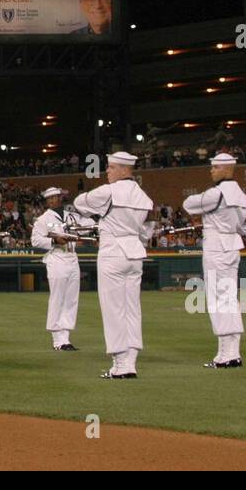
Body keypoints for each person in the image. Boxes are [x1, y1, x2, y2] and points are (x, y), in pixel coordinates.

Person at [74, 151, 154, 379]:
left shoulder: (108, 192)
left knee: (113, 309)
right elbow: (147, 229)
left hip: (113, 252)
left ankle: (120, 364)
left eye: (110, 167)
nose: (107, 171)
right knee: (132, 308)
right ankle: (130, 362)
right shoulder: (142, 196)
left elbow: (80, 202)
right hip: (135, 252)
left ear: (123, 169)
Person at [182, 152, 246, 368]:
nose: (211, 171)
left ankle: (226, 355)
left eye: (214, 167)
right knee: (229, 298)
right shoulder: (242, 196)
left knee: (218, 300)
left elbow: (188, 204)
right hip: (232, 246)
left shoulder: (216, 193)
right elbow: (244, 227)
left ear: (224, 169)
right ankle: (232, 352)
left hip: (216, 247)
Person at [29, 187, 82, 351]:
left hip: (72, 257)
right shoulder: (44, 219)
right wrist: (54, 241)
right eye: (50, 198)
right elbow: (36, 240)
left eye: (56, 197)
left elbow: (82, 228)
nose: (53, 200)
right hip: (57, 258)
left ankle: (65, 338)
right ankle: (57, 340)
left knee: (71, 299)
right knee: (57, 298)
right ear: (47, 201)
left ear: (61, 198)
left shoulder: (71, 216)